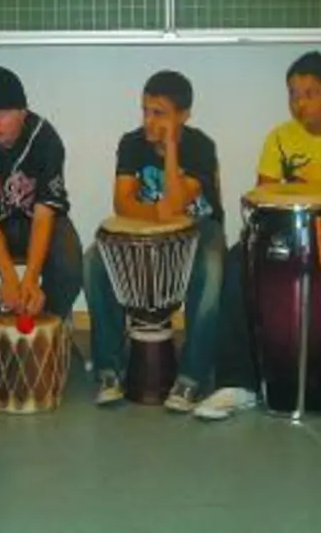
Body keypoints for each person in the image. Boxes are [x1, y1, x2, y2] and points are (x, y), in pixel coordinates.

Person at [196, 51, 321, 435]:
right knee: (238, 262)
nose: (300, 102)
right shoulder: (279, 138)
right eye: (293, 94)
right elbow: (266, 195)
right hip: (292, 236)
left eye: (311, 92)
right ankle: (237, 382)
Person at [84, 70, 225, 411]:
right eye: (145, 110)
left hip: (199, 229)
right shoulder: (131, 143)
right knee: (93, 261)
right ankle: (109, 370)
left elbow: (177, 205)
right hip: (146, 231)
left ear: (184, 115)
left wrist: (172, 149)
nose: (149, 120)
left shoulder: (201, 146)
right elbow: (122, 203)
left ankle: (192, 377)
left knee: (212, 267)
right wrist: (158, 214)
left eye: (159, 113)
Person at [0, 66, 83, 363]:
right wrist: (10, 279)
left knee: (69, 263)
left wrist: (30, 281)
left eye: (4, 114)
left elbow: (44, 215)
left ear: (23, 112)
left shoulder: (45, 138)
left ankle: (45, 333)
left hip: (35, 219)